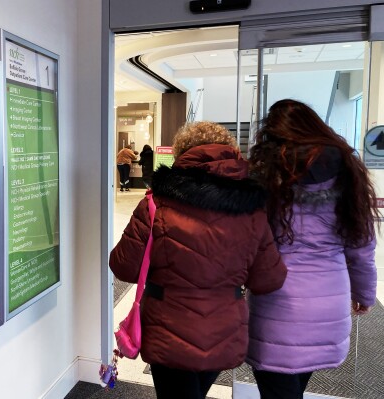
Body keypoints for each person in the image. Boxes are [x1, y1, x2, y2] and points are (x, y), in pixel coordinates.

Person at [109, 121, 288, 399]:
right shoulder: (252, 209)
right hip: (223, 329)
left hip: (168, 329)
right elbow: (269, 279)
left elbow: (123, 266)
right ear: (230, 153)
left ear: (181, 154)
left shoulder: (156, 204)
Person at [246, 99, 380, 399]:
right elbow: (361, 246)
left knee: (278, 390)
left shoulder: (265, 172)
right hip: (329, 299)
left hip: (276, 301)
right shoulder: (347, 170)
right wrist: (364, 294)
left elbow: (249, 237)